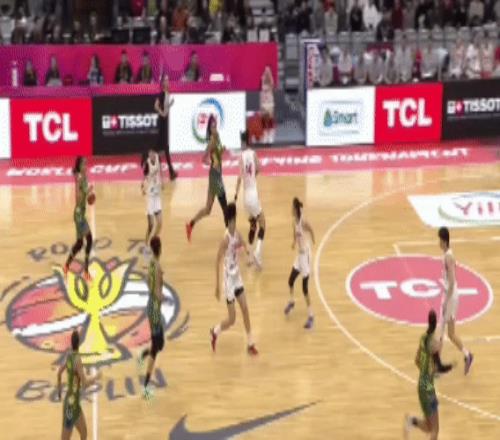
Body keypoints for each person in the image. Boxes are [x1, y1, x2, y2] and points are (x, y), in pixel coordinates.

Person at [210, 203, 258, 355]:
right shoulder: (225, 239)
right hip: (228, 281)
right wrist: (217, 286)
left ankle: (250, 343)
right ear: (231, 219)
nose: (235, 220)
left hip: (236, 276)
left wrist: (249, 256)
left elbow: (244, 245)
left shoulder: (236, 233)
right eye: (234, 218)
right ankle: (215, 331)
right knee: (232, 320)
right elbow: (217, 260)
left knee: (245, 309)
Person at [404, 310, 455, 440]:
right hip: (428, 388)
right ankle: (412, 421)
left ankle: (412, 421)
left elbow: (416, 360)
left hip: (421, 384)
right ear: (436, 322)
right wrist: (452, 366)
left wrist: (428, 371)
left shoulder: (423, 338)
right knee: (435, 430)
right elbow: (441, 368)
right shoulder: (433, 343)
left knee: (428, 427)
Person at [186, 115, 228, 241]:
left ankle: (191, 224)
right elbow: (203, 159)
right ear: (209, 129)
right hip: (215, 176)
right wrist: (211, 163)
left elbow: (218, 155)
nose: (214, 128)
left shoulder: (217, 137)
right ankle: (230, 236)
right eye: (212, 127)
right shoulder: (211, 141)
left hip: (216, 175)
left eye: (215, 126)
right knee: (225, 206)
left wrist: (221, 152)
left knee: (208, 209)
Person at [437, 227, 474, 374]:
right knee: (451, 334)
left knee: (440, 330)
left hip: (450, 296)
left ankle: (437, 365)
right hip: (451, 295)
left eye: (440, 240)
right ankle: (467, 355)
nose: (438, 242)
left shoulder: (449, 257)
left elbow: (452, 281)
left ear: (444, 241)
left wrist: (446, 301)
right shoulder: (447, 255)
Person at [57, 330, 101, 440]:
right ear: (79, 343)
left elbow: (59, 373)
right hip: (71, 406)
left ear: (71, 343)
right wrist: (96, 377)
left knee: (84, 433)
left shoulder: (69, 356)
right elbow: (85, 383)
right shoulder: (77, 360)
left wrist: (59, 392)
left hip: (74, 403)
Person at [138, 236, 166, 400]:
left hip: (151, 306)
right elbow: (156, 291)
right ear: (160, 249)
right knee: (157, 346)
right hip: (155, 309)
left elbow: (148, 282)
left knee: (159, 344)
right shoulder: (157, 266)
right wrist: (162, 297)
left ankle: (145, 353)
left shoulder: (151, 265)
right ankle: (146, 385)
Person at [234, 130, 265, 269]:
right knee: (263, 224)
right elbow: (259, 168)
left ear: (243, 142)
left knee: (253, 225)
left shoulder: (241, 156)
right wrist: (253, 177)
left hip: (245, 197)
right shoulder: (253, 153)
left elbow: (239, 177)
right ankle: (257, 253)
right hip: (253, 194)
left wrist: (235, 194)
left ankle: (250, 258)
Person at [284, 197, 315, 329]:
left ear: (296, 209)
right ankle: (292, 302)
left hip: (305, 257)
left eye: (292, 207)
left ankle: (311, 316)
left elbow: (311, 229)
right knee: (290, 281)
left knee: (304, 289)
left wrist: (312, 241)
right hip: (299, 257)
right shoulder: (294, 222)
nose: (291, 209)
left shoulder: (303, 222)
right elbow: (295, 234)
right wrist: (293, 242)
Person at [64, 157, 94, 283]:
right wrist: (87, 193)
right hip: (79, 215)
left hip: (81, 213)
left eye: (86, 164)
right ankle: (86, 271)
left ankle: (66, 265)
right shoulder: (79, 178)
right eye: (84, 164)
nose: (86, 166)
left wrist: (89, 195)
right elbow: (77, 199)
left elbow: (87, 199)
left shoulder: (84, 177)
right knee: (89, 239)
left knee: (80, 243)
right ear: (80, 166)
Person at [154, 75, 177, 180]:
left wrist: (170, 105)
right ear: (163, 83)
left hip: (165, 122)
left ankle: (170, 172)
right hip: (162, 122)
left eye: (168, 80)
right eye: (166, 80)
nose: (168, 82)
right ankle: (171, 172)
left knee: (160, 147)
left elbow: (165, 108)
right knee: (164, 147)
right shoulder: (162, 94)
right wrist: (162, 113)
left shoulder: (167, 93)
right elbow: (156, 106)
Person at [141, 149, 163, 253]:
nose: (152, 155)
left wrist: (162, 182)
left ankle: (152, 242)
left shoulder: (158, 158)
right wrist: (143, 188)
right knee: (151, 225)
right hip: (150, 197)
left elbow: (160, 171)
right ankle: (145, 244)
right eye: (150, 154)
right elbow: (144, 178)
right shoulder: (147, 164)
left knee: (160, 223)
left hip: (157, 196)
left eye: (153, 152)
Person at [260, 65, 275, 143]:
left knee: (270, 120)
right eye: (265, 70)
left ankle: (271, 136)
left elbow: (271, 85)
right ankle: (265, 135)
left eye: (268, 70)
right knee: (264, 120)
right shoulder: (262, 79)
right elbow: (262, 90)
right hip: (264, 102)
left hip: (269, 103)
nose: (267, 71)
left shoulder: (271, 81)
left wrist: (268, 73)